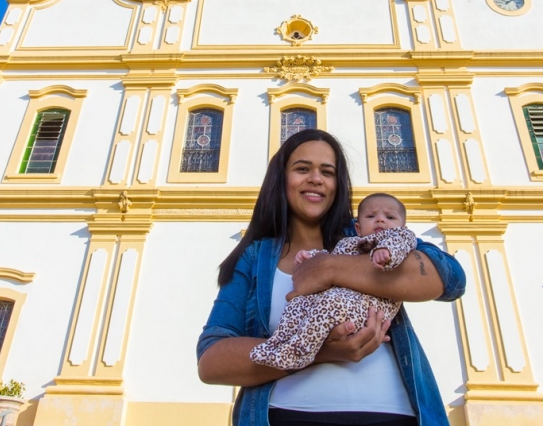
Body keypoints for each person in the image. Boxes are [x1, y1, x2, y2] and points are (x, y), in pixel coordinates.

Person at [197, 129, 466, 426]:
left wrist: (328, 268)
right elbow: (211, 362)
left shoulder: (368, 235)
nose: (315, 178)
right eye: (302, 169)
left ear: (338, 185)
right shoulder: (253, 257)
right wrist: (318, 351)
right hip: (284, 416)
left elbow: (450, 278)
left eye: (327, 172)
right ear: (281, 179)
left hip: (392, 415)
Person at [250, 193, 417, 370]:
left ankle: (300, 352)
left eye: (389, 217)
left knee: (330, 303)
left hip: (370, 307)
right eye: (371, 216)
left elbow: (401, 244)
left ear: (402, 226)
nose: (380, 221)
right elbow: (329, 259)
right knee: (298, 303)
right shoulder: (348, 243)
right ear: (358, 229)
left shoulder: (400, 237)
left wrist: (386, 251)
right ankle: (278, 343)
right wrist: (310, 257)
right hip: (340, 299)